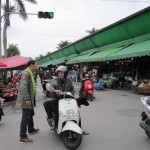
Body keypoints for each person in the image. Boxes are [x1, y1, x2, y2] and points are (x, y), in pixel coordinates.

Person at [43, 65, 89, 135]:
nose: (60, 74)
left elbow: (72, 89)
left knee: (76, 113)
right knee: (47, 104)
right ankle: (52, 120)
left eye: (61, 73)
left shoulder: (69, 80)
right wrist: (55, 91)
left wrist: (74, 95)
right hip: (58, 99)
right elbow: (50, 87)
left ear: (65, 73)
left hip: (68, 99)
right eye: (58, 73)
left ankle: (80, 128)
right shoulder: (55, 81)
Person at [17, 60, 39, 143]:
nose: (36, 67)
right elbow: (24, 87)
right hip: (27, 99)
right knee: (25, 117)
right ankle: (23, 136)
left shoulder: (30, 73)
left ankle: (30, 128)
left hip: (30, 98)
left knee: (30, 114)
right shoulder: (26, 73)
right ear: (32, 65)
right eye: (35, 65)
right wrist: (27, 99)